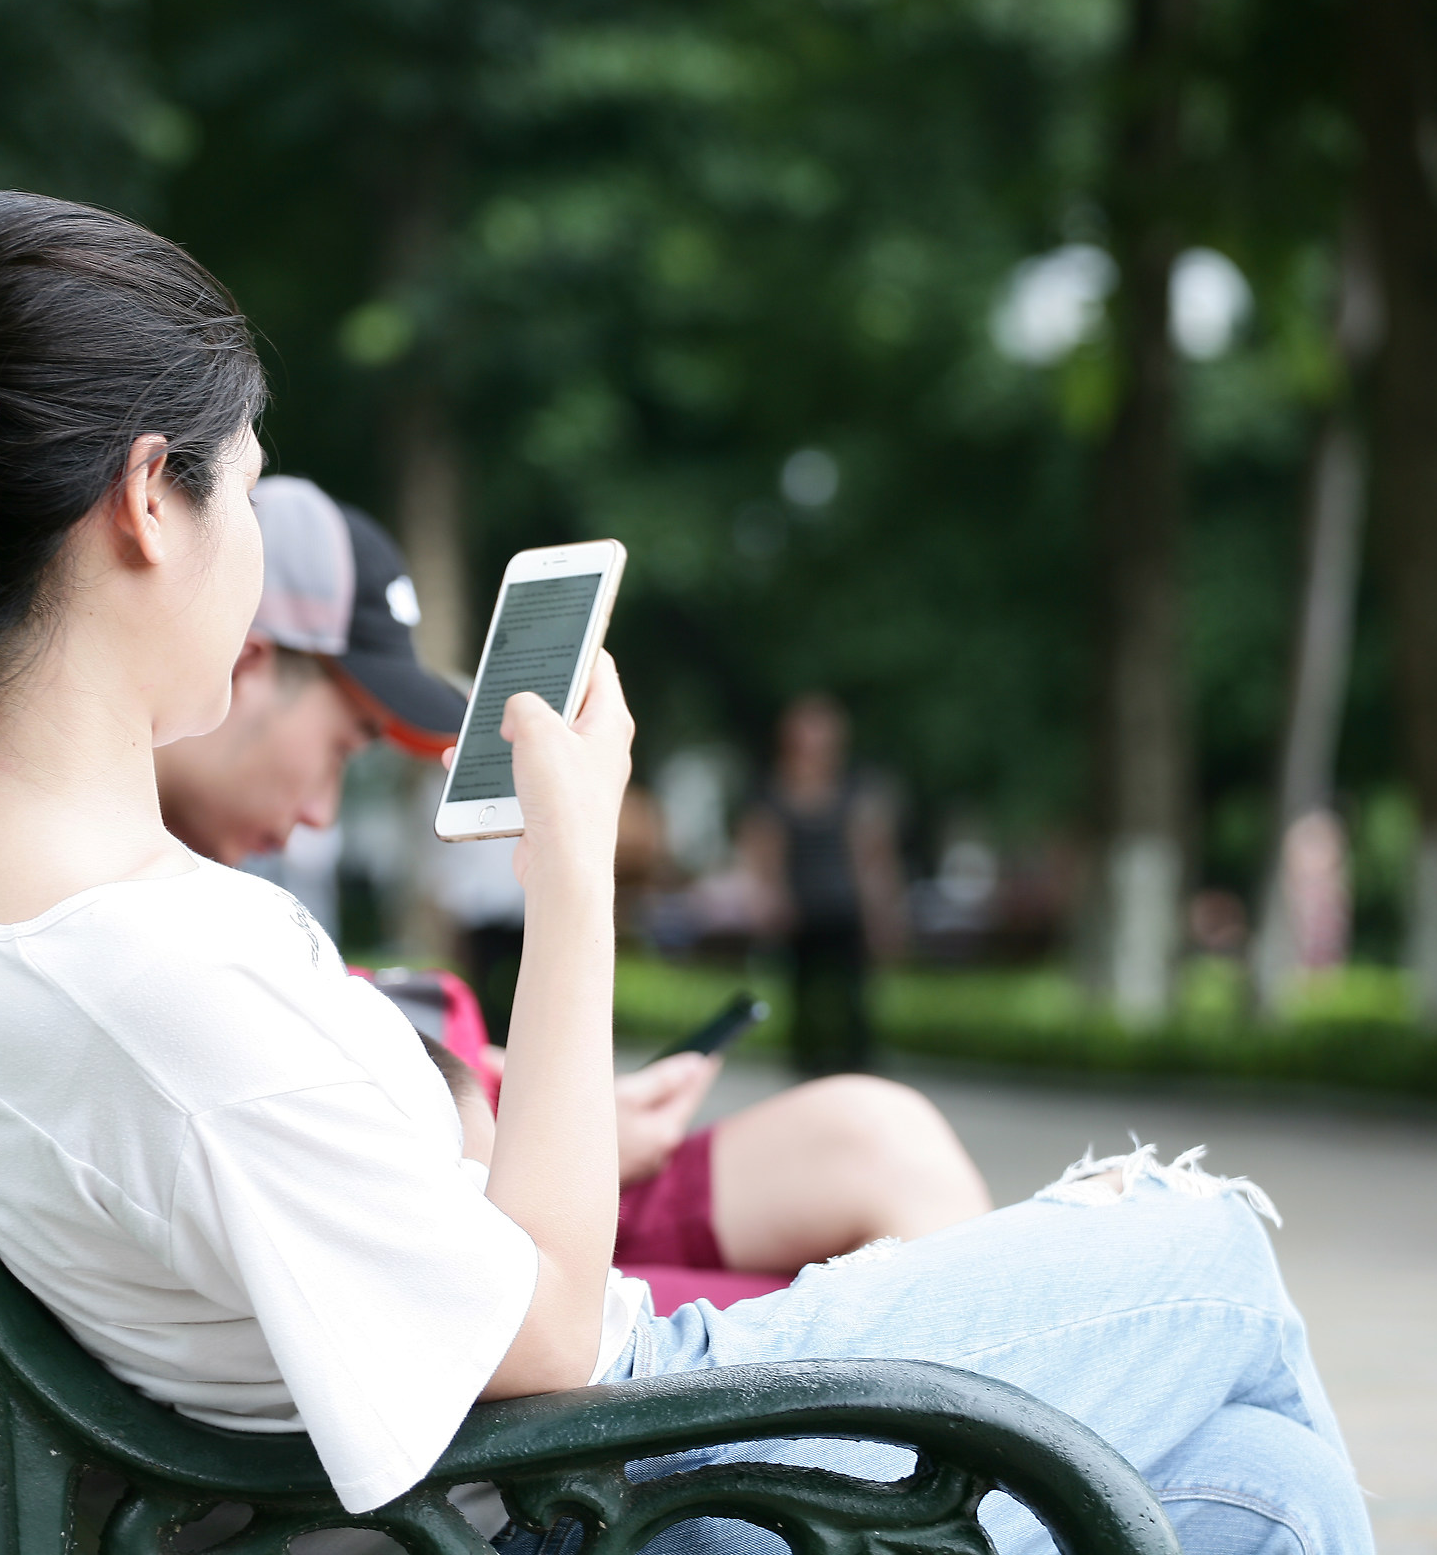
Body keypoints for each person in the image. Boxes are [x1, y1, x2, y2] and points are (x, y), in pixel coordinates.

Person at [0, 192, 1367, 1552]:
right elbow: (546, 1340)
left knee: (1265, 1495)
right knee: (1211, 1256)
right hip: (623, 1479)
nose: (254, 543)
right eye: (248, 485)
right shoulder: (157, 980)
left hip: (499, 1474)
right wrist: (574, 871)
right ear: (145, 499)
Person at [155, 474, 988, 1292]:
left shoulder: (179, 896)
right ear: (247, 664)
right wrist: (574, 870)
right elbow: (533, 1315)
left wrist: (521, 1086)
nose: (322, 816)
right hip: (502, 1241)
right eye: (345, 745)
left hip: (502, 1172)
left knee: (879, 1133)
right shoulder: (152, 923)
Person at [741, 696, 905, 1075]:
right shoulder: (773, 792)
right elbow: (763, 855)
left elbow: (873, 858)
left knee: (855, 1003)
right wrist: (768, 902)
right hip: (800, 916)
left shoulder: (856, 790)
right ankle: (809, 1078)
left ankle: (859, 1076)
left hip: (846, 912)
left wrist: (883, 914)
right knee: (803, 1005)